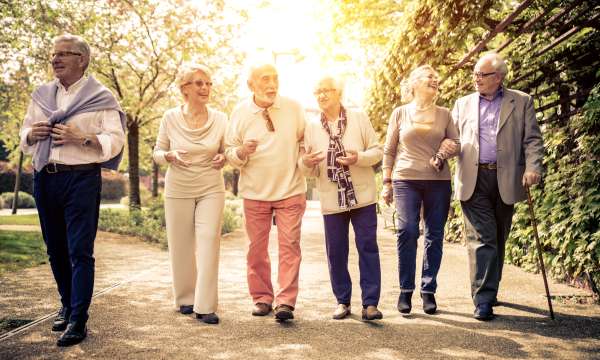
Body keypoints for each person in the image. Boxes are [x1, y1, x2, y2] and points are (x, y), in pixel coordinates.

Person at [19, 34, 126, 346]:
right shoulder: (41, 95)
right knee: (55, 248)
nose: (56, 59)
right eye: (54, 54)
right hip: (45, 177)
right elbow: (24, 131)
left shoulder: (102, 96)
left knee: (79, 250)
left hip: (81, 178)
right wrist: (31, 134)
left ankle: (79, 318)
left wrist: (84, 138)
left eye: (64, 53)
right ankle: (66, 304)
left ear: (83, 60)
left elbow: (115, 139)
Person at [452, 53, 544, 321]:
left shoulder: (522, 101)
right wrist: (444, 149)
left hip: (506, 178)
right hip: (473, 177)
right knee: (483, 238)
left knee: (499, 237)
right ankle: (482, 299)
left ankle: (490, 290)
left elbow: (533, 140)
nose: (476, 79)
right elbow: (453, 138)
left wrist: (533, 167)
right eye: (475, 74)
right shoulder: (463, 103)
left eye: (482, 74)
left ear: (499, 77)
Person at [225, 63, 306, 322]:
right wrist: (241, 152)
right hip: (255, 192)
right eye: (265, 79)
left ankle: (285, 302)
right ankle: (262, 297)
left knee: (290, 246)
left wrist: (307, 159)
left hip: (290, 189)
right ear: (251, 85)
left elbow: (305, 141)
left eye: (275, 78)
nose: (272, 84)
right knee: (256, 249)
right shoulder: (240, 112)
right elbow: (229, 151)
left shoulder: (293, 108)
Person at [301, 75, 383, 321]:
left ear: (339, 92)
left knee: (367, 246)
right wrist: (306, 163)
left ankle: (370, 304)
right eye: (317, 91)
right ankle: (342, 301)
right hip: (331, 197)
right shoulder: (312, 126)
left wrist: (358, 157)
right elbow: (310, 170)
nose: (322, 95)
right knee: (336, 251)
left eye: (326, 90)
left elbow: (377, 151)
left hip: (362, 195)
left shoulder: (359, 117)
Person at [381, 65, 459, 315]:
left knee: (434, 235)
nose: (435, 81)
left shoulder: (445, 114)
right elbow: (389, 149)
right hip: (406, 179)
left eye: (437, 78)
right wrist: (386, 181)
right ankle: (405, 290)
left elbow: (457, 142)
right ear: (414, 84)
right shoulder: (400, 113)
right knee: (407, 230)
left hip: (438, 181)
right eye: (430, 77)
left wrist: (445, 150)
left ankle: (428, 291)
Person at [153, 63, 227, 325]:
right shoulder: (170, 117)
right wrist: (169, 156)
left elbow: (226, 150)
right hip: (178, 189)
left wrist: (223, 157)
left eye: (207, 83)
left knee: (208, 242)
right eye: (198, 83)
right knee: (181, 245)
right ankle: (185, 298)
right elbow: (157, 152)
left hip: (210, 187)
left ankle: (205, 306)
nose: (205, 88)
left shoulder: (220, 118)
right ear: (184, 89)